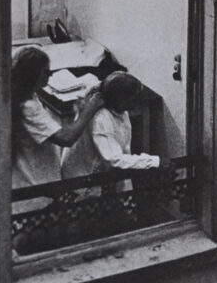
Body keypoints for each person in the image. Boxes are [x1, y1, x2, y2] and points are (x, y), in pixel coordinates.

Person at [10, 46, 104, 188]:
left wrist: (79, 112)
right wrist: (89, 109)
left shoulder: (24, 95)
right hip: (35, 183)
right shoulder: (28, 106)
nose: (50, 76)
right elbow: (66, 138)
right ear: (32, 75)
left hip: (31, 178)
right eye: (46, 73)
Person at [61, 71, 163, 181]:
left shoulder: (120, 109)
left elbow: (122, 150)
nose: (137, 101)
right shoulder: (101, 118)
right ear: (120, 99)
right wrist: (154, 162)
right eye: (134, 98)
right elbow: (114, 159)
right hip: (84, 178)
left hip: (103, 171)